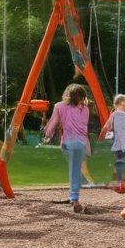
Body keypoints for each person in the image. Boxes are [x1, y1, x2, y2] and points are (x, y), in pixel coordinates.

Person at [43, 83, 92, 213]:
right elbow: (83, 124)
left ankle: (74, 198)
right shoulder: (85, 109)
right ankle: (75, 193)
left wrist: (47, 135)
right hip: (82, 143)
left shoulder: (59, 106)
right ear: (83, 97)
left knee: (74, 169)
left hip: (68, 143)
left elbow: (52, 124)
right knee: (75, 168)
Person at [99, 94, 125, 190]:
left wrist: (100, 139)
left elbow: (106, 128)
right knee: (116, 161)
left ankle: (119, 182)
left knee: (115, 161)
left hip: (120, 145)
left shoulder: (114, 115)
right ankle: (114, 182)